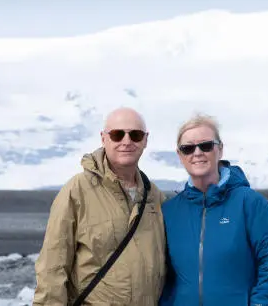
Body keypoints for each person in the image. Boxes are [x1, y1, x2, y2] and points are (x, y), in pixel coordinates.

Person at [33, 107, 167, 306]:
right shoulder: (77, 191)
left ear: (145, 140)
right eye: (117, 134)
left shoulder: (156, 198)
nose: (126, 141)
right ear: (103, 138)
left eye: (136, 135)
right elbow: (52, 267)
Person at [159, 113, 268, 306]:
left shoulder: (249, 203)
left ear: (219, 150)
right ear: (180, 156)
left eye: (205, 145)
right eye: (188, 148)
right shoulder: (170, 211)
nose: (197, 153)